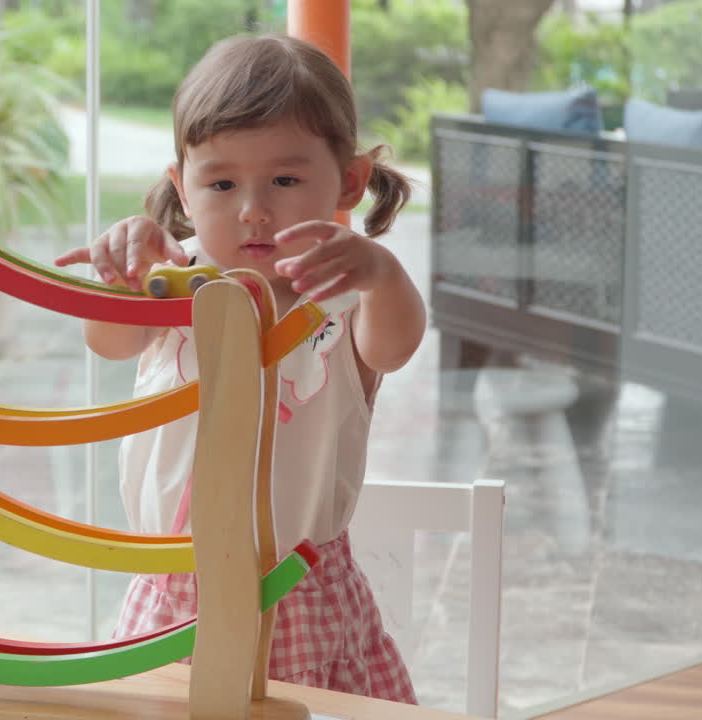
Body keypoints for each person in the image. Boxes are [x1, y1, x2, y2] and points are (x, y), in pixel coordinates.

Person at [54, 33, 425, 703]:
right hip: (173, 595)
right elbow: (107, 341)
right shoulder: (171, 278)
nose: (253, 209)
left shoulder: (346, 293)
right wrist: (125, 269)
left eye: (284, 179)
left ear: (347, 181)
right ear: (183, 189)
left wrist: (381, 270)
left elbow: (396, 347)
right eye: (221, 182)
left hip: (298, 595)